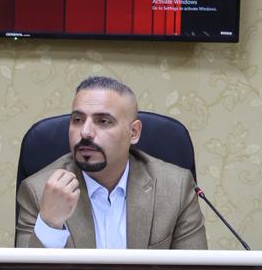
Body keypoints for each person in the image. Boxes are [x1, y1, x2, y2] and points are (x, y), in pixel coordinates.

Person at [15, 76, 207, 249]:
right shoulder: (38, 191)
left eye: (103, 121)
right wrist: (49, 223)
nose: (85, 132)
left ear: (133, 133)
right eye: (77, 120)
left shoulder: (176, 188)